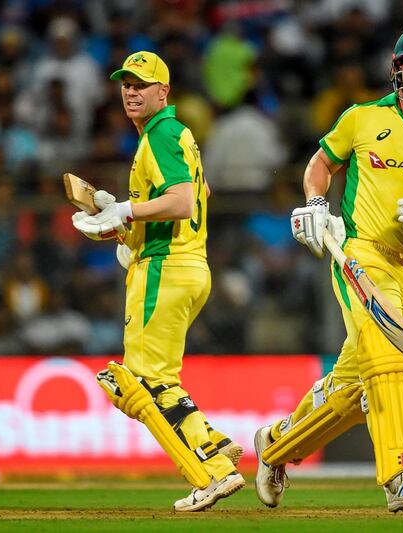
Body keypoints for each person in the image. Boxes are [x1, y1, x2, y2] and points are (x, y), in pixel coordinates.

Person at [253, 26, 403, 512]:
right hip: (362, 253)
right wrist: (316, 204)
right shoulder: (362, 118)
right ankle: (401, 474)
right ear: (397, 72)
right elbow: (319, 164)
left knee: (353, 388)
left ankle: (273, 446)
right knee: (391, 359)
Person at [71, 51, 244, 511]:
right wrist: (130, 227)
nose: (131, 91)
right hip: (187, 265)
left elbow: (185, 201)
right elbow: (201, 192)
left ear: (163, 92)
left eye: (141, 84)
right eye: (126, 84)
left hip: (165, 270)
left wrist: (126, 212)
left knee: (139, 384)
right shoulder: (177, 134)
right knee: (152, 381)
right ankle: (211, 441)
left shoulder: (162, 133)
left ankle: (210, 471)